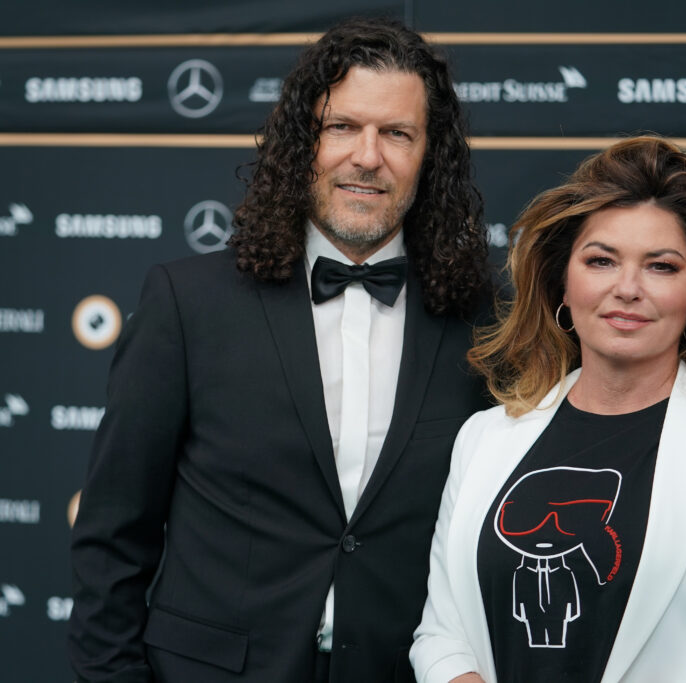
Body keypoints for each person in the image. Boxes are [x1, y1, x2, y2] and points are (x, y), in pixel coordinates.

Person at [68, 17, 492, 683]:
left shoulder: (486, 321)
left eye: (397, 133)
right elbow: (112, 534)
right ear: (304, 142)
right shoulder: (188, 302)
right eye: (342, 126)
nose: (367, 155)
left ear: (428, 154)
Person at [410, 135, 686, 683]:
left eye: (661, 267)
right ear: (563, 284)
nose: (627, 288)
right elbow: (442, 634)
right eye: (601, 260)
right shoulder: (485, 438)